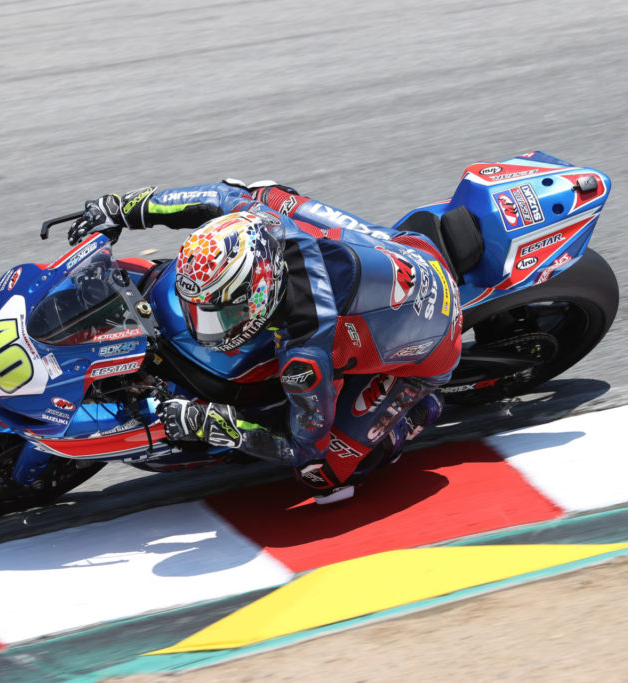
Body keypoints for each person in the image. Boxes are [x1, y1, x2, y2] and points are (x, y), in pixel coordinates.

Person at [70, 180, 462, 503]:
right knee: (261, 191)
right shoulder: (259, 223)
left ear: (258, 295)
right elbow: (213, 197)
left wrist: (220, 425)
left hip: (436, 339)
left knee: (323, 476)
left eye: (218, 314)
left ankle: (418, 411)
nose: (202, 325)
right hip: (409, 247)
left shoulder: (304, 354)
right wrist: (121, 207)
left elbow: (304, 444)